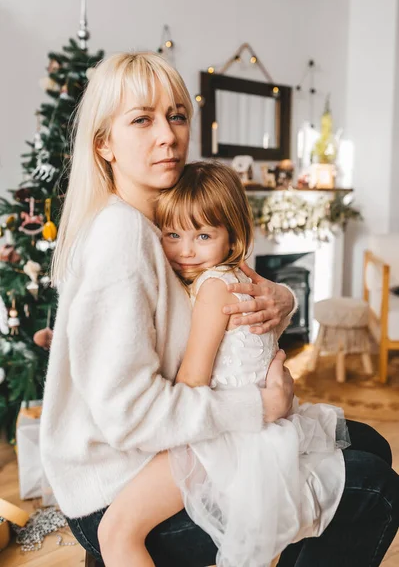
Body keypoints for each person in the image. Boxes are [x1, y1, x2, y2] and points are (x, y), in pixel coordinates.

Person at [40, 51, 399, 567]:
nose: (168, 135)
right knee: (374, 487)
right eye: (141, 120)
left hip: (160, 452)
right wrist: (261, 408)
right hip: (118, 488)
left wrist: (285, 297)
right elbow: (130, 416)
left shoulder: (160, 225)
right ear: (104, 143)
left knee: (365, 442)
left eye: (177, 115)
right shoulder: (121, 236)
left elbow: (224, 284)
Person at [96, 160, 351, 567]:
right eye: (173, 234)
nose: (185, 250)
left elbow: (193, 380)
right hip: (259, 428)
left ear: (232, 235)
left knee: (115, 532)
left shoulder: (213, 288)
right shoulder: (237, 279)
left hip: (218, 438)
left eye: (202, 235)